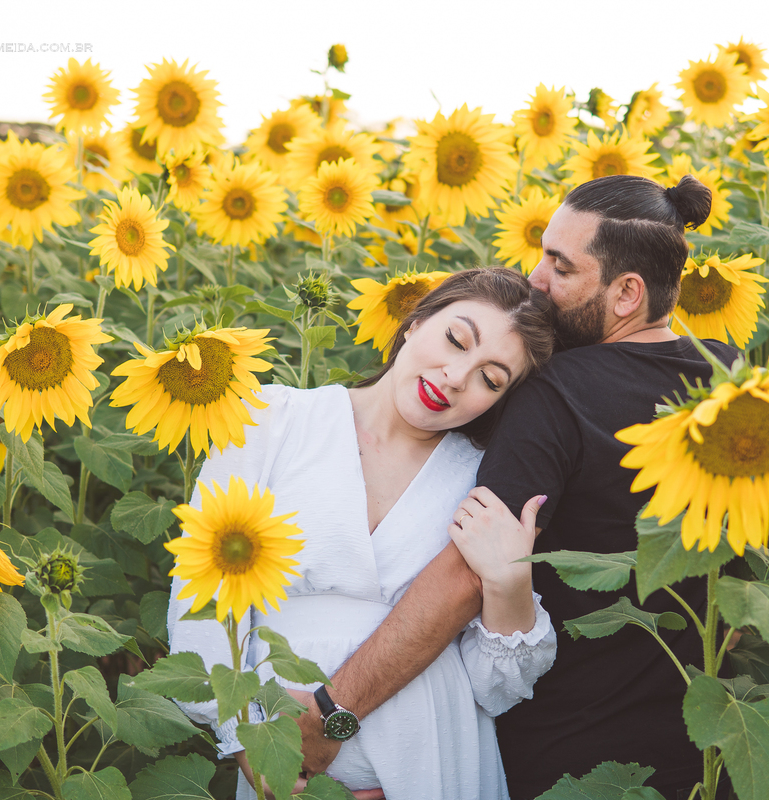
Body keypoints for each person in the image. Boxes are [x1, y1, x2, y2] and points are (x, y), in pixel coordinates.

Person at [289, 174, 740, 800]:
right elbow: (744, 594)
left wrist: (335, 714)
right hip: (704, 755)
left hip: (565, 761)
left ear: (627, 293)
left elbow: (466, 574)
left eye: (560, 265)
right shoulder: (735, 380)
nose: (536, 280)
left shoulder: (559, 391)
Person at [167, 267, 559, 799]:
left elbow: (495, 687)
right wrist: (252, 747)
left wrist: (510, 584)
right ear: (415, 321)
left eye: (491, 379)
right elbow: (203, 596)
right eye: (454, 339)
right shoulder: (267, 420)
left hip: (433, 753)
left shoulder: (480, 480)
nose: (455, 376)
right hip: (279, 749)